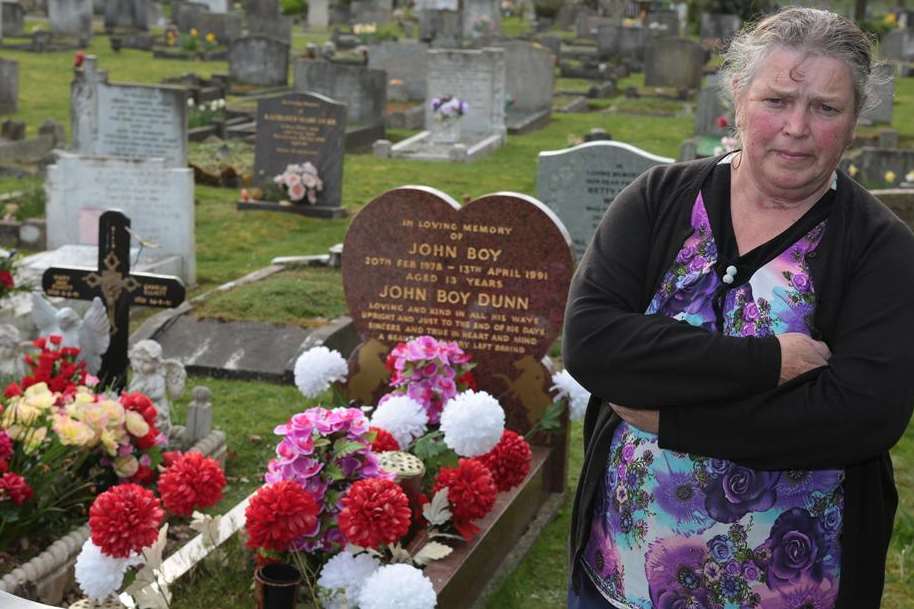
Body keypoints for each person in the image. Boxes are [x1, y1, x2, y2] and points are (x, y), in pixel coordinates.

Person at [563, 8, 914, 609]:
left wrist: (671, 419)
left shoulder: (881, 250)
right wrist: (769, 362)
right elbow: (593, 344)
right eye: (776, 100)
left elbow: (860, 416)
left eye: (826, 108)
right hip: (617, 576)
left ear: (854, 119)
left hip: (790, 594)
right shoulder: (656, 202)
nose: (797, 127)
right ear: (738, 95)